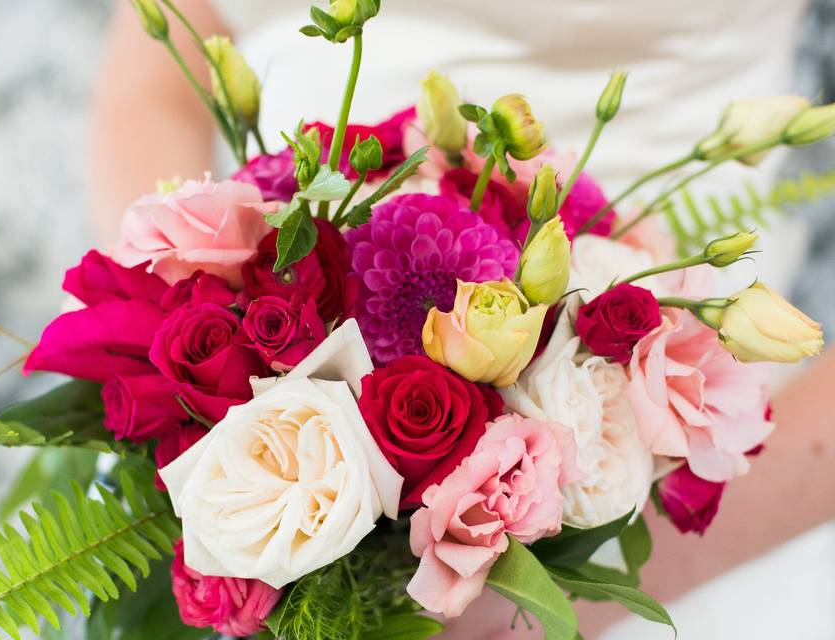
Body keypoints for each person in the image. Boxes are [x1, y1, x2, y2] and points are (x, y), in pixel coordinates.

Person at [91, 1, 835, 637]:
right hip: (238, 387)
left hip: (673, 458)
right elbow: (157, 80)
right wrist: (171, 298)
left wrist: (571, 592)